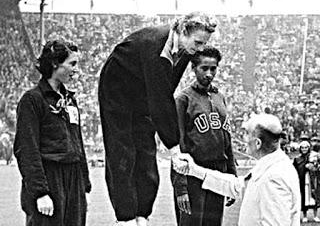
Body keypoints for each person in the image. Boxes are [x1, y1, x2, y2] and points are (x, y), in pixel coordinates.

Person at [98, 12, 217, 226]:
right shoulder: (155, 46)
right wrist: (174, 149)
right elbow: (160, 98)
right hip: (116, 91)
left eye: (204, 44)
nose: (200, 49)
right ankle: (125, 219)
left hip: (141, 91)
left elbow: (166, 89)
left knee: (146, 150)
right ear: (182, 31)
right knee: (122, 151)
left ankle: (142, 215)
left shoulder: (186, 48)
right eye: (198, 42)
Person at [14, 40, 91, 226]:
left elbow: (77, 144)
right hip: (49, 179)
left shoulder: (70, 100)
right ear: (55, 63)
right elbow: (27, 149)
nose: (76, 70)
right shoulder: (32, 100)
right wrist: (40, 193)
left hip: (73, 181)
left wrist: (84, 187)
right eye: (72, 64)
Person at [174, 113, 301, 226]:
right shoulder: (271, 165)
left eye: (247, 133)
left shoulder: (273, 177)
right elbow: (236, 186)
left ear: (258, 143)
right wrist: (193, 169)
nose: (244, 138)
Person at [171, 46, 236, 226]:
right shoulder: (183, 99)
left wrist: (231, 176)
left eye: (213, 68)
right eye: (204, 68)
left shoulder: (219, 97)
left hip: (218, 173)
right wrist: (180, 187)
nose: (209, 73)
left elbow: (227, 140)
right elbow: (179, 146)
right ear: (193, 68)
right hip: (194, 174)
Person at [293, 140, 320, 223]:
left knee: (314, 196)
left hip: (313, 179)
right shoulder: (297, 159)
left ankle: (315, 215)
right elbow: (294, 170)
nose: (304, 149)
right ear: (300, 149)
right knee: (303, 197)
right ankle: (304, 215)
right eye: (303, 147)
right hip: (302, 180)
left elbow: (318, 168)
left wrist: (313, 167)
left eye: (306, 147)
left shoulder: (314, 156)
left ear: (309, 148)